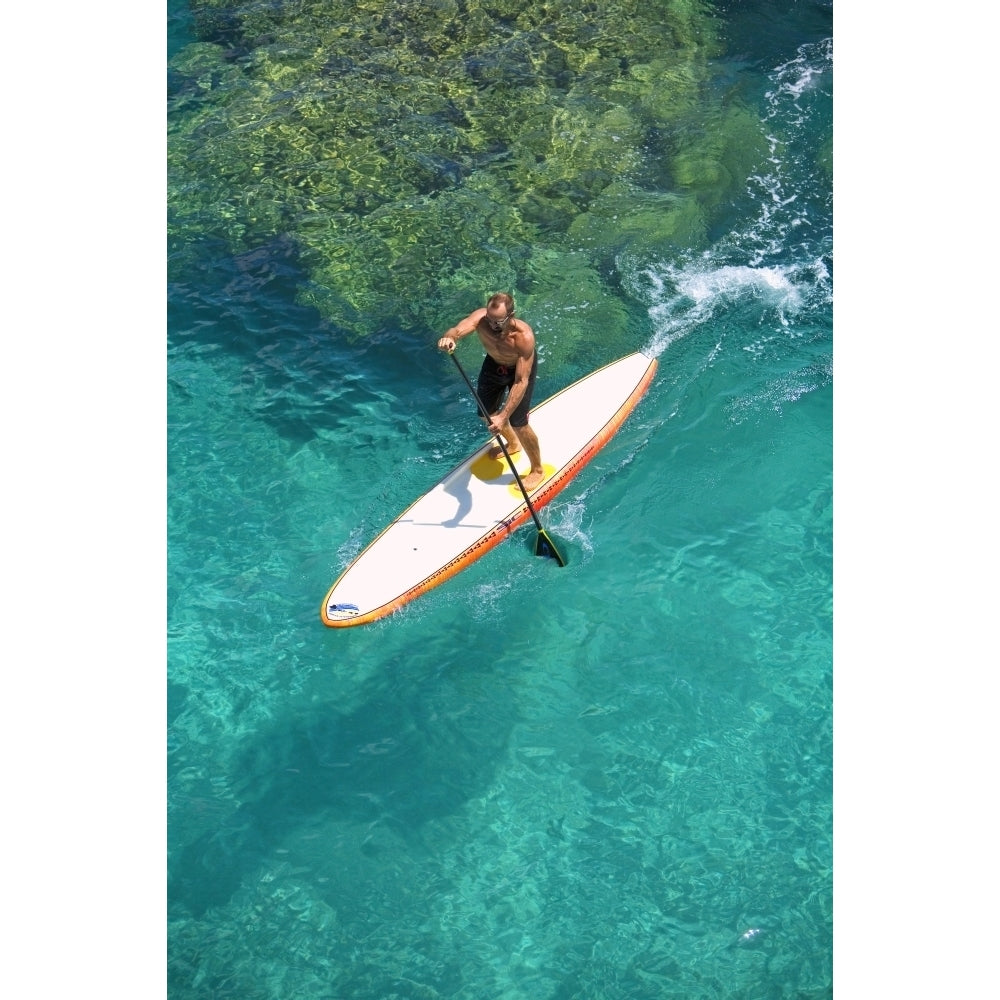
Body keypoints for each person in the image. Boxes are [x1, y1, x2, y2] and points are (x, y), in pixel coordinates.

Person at [437, 292, 546, 491]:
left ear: (511, 315)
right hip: (494, 365)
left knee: (518, 422)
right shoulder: (481, 320)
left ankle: (537, 470)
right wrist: (449, 338)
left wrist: (504, 416)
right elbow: (457, 330)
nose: (492, 325)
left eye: (499, 322)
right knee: (486, 415)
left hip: (519, 373)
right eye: (490, 318)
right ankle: (513, 444)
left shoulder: (523, 337)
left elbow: (521, 381)